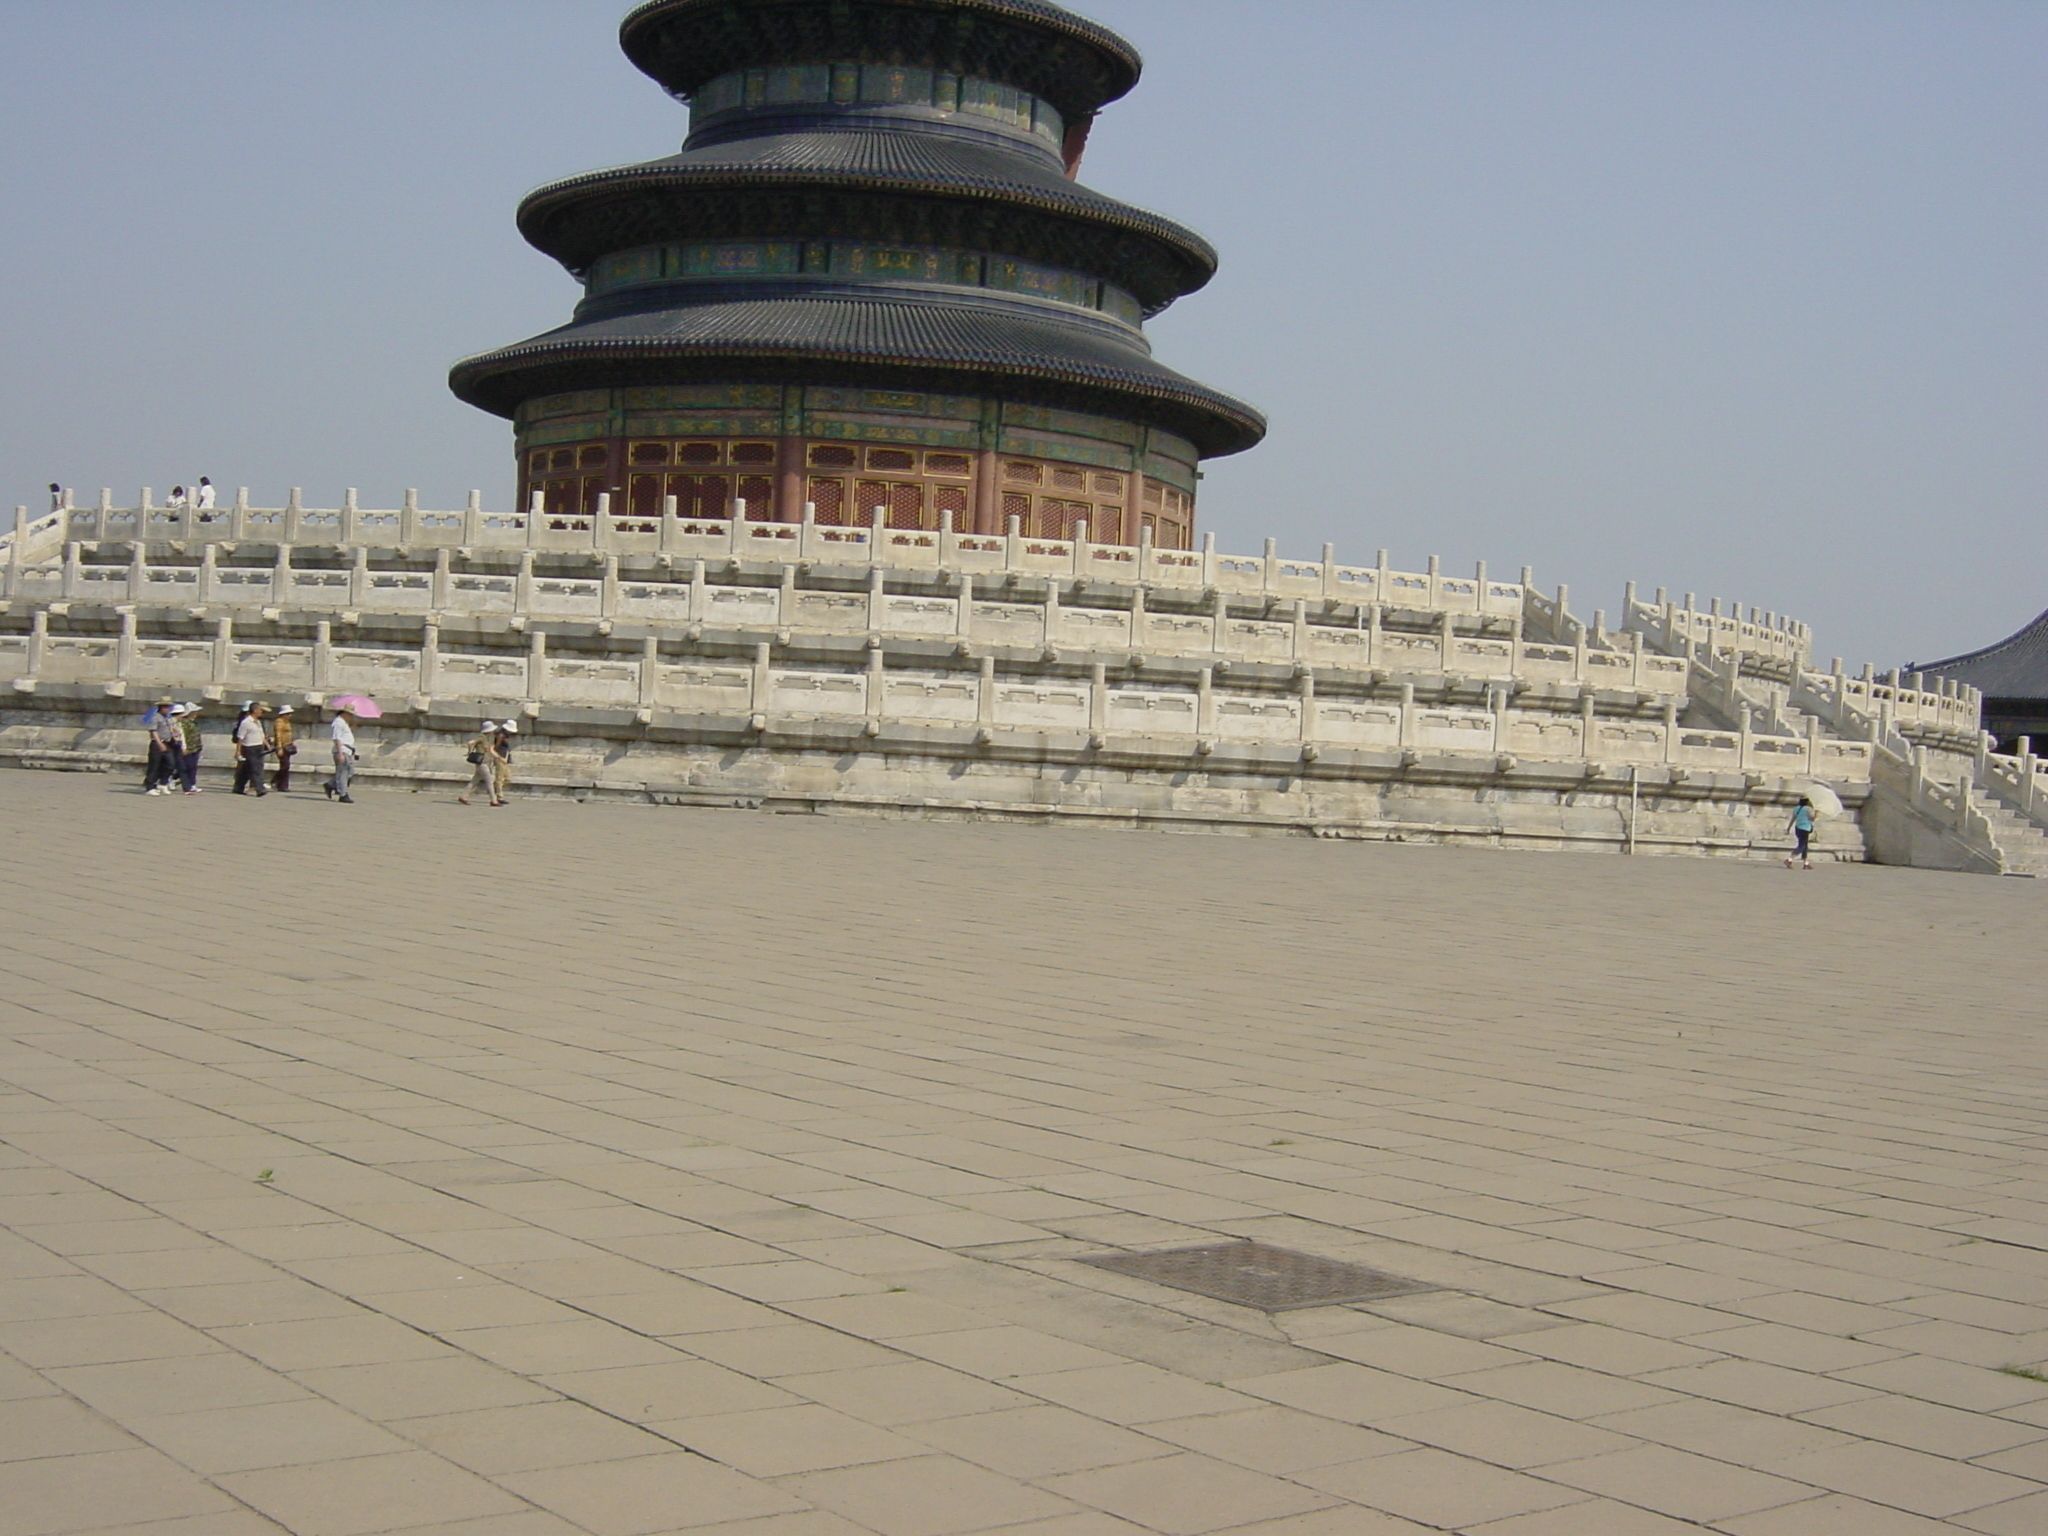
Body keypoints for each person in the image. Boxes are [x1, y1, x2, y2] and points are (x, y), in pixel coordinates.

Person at [459, 722, 505, 806]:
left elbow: (491, 750)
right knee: (489, 780)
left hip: (486, 762)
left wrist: (499, 758)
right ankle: (494, 800)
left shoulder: (489, 739)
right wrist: (470, 751)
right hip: (481, 762)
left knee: (475, 780)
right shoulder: (481, 737)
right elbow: (470, 743)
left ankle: (463, 796)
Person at [233, 704, 270, 796]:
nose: (261, 712)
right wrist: (238, 751)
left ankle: (238, 787)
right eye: (260, 710)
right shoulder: (246, 722)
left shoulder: (258, 722)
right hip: (249, 748)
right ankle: (260, 789)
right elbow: (240, 737)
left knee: (246, 769)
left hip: (258, 746)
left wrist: (267, 745)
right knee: (255, 769)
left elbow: (261, 735)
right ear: (255, 710)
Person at [143, 698, 179, 795]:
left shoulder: (167, 718)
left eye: (169, 707)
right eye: (166, 707)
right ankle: (150, 787)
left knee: (170, 764)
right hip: (158, 743)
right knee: (154, 766)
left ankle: (163, 782)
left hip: (168, 742)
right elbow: (153, 731)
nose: (168, 709)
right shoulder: (156, 717)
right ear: (161, 707)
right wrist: (159, 743)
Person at [325, 707, 359, 803]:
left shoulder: (343, 723)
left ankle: (331, 784)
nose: (351, 716)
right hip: (342, 750)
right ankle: (343, 794)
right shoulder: (338, 722)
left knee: (349, 771)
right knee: (343, 773)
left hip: (347, 750)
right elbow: (337, 738)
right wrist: (340, 753)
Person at [175, 704, 205, 794]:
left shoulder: (194, 722)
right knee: (188, 766)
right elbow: (182, 735)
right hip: (188, 747)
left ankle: (192, 784)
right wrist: (184, 747)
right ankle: (179, 781)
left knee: (193, 767)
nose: (196, 714)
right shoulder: (184, 723)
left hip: (195, 747)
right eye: (194, 712)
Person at [1785, 797, 1818, 870]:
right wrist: (1816, 812)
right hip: (1805, 829)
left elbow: (1793, 819)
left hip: (1798, 828)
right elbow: (1812, 818)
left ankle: (1806, 863)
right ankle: (1789, 859)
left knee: (1804, 846)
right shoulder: (1808, 809)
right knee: (1802, 846)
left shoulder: (1796, 808)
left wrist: (1788, 828)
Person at [270, 706, 297, 791]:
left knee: (286, 766)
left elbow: (289, 733)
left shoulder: (287, 722)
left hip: (288, 745)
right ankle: (276, 781)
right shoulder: (279, 722)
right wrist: (279, 747)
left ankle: (283, 785)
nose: (290, 716)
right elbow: (278, 735)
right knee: (285, 765)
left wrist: (292, 741)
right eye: (288, 714)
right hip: (282, 745)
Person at [491, 720, 517, 804]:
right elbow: (496, 747)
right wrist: (497, 757)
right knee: (499, 778)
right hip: (500, 757)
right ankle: (499, 796)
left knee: (508, 778)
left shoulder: (506, 736)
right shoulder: (500, 735)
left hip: (505, 757)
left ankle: (495, 789)